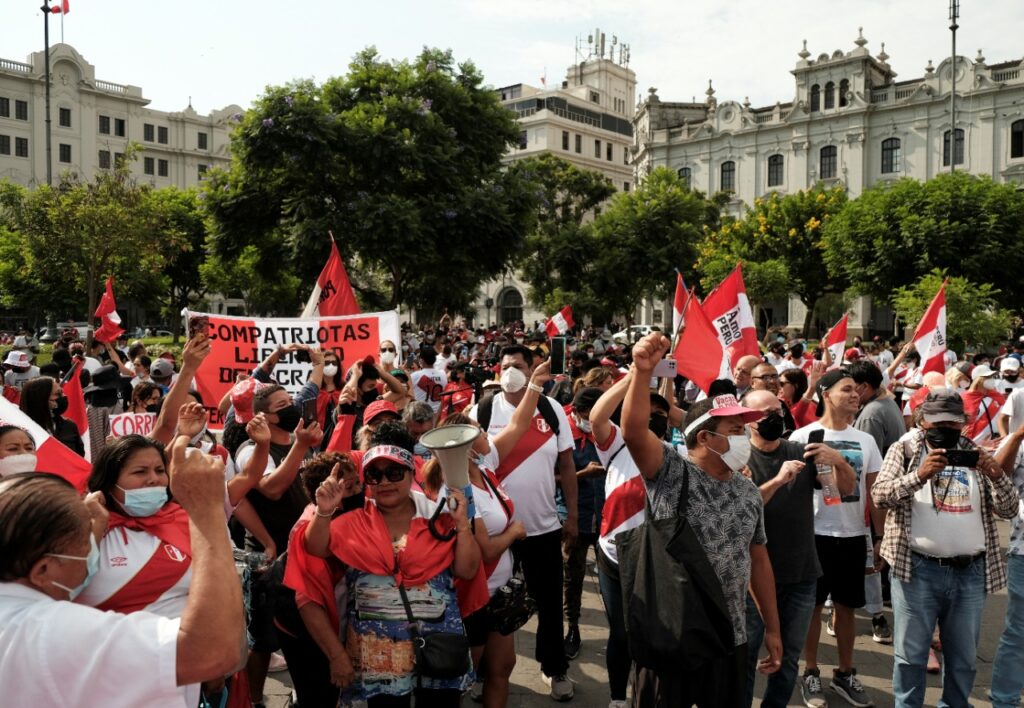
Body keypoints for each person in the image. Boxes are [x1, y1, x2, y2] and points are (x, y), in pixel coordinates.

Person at [0, 440, 244, 706]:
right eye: (85, 547)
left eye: (159, 470)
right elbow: (209, 653)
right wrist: (208, 512)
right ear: (42, 570)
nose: (90, 559)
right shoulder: (55, 633)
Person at [622, 332, 781, 707]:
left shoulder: (747, 491)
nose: (745, 438)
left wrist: (772, 627)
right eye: (736, 430)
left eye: (745, 428)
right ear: (705, 438)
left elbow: (757, 560)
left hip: (729, 637)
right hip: (670, 633)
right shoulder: (672, 472)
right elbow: (632, 431)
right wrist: (641, 373)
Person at [304, 442, 480, 707]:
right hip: (379, 653)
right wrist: (324, 510)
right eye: (375, 475)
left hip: (438, 643)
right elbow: (315, 547)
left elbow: (467, 570)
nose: (385, 481)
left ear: (412, 475)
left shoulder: (438, 516)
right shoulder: (353, 521)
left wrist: (463, 525)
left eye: (394, 473)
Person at [873, 390, 1019, 708]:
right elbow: (880, 495)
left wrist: (995, 474)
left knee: (964, 658)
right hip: (917, 570)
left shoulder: (976, 454)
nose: (944, 428)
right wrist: (919, 475)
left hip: (970, 572)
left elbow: (1009, 510)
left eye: (952, 422)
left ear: (964, 424)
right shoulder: (906, 448)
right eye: (937, 422)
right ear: (922, 421)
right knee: (910, 657)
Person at [468, 344, 578, 701]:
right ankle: (484, 672)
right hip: (495, 532)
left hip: (542, 527)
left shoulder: (552, 409)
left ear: (533, 370)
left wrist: (571, 516)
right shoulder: (483, 409)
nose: (508, 370)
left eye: (516, 365)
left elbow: (567, 465)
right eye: (503, 365)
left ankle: (554, 667)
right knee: (488, 603)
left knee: (548, 602)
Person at [790, 369, 883, 708]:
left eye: (857, 390)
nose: (855, 394)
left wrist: (878, 536)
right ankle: (810, 671)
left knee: (847, 607)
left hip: (853, 535)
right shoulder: (802, 436)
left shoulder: (867, 441)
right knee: (812, 608)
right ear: (825, 394)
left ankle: (845, 672)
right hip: (814, 535)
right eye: (847, 390)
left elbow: (873, 492)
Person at [235, 383, 324, 707]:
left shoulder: (303, 443)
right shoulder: (251, 449)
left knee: (305, 628)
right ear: (266, 416)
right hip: (268, 557)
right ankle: (253, 700)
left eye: (291, 401)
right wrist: (300, 447)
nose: (291, 408)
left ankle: (304, 691)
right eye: (283, 404)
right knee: (261, 639)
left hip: (304, 551)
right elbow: (271, 489)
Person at [590, 369, 674, 708]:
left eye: (660, 415)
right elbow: (597, 416)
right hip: (614, 557)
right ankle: (617, 698)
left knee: (651, 633)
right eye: (646, 412)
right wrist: (637, 374)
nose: (653, 419)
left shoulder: (677, 454)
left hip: (657, 559)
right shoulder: (615, 445)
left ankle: (647, 695)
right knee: (622, 633)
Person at [742, 390, 820, 708]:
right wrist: (777, 480)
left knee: (787, 660)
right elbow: (742, 510)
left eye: (778, 410)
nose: (775, 417)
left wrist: (838, 462)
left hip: (800, 574)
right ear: (747, 420)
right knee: (745, 656)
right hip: (751, 581)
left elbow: (843, 490)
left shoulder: (801, 451)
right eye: (765, 413)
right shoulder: (736, 459)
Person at [561, 386, 606, 662]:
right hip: (573, 520)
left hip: (606, 522)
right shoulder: (563, 436)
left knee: (615, 581)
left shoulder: (610, 434)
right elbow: (553, 478)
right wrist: (582, 474)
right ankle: (572, 628)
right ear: (576, 412)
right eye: (590, 414)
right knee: (572, 578)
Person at [992, 421, 1024, 708]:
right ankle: (1004, 700)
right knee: (1019, 631)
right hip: (1023, 549)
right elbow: (996, 474)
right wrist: (1017, 437)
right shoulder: (1020, 442)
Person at [19, 375, 84, 457]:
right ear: (40, 399)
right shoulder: (21, 431)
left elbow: (79, 458)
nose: (63, 397)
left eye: (62, 392)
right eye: (57, 394)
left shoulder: (69, 426)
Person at [412, 346, 448, 415]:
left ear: (421, 360)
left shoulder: (414, 376)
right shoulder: (443, 374)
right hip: (439, 414)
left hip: (421, 414)